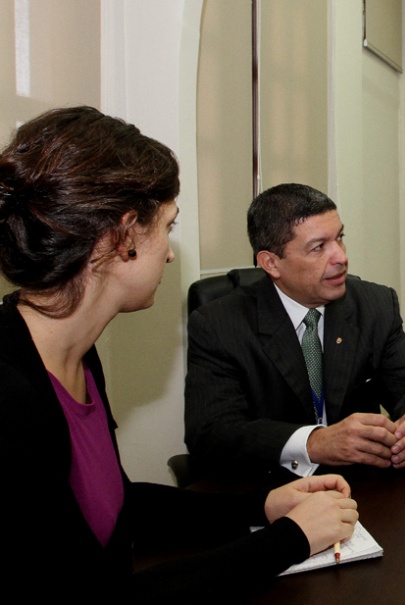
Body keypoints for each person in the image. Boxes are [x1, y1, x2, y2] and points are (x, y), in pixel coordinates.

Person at [0, 107, 358, 601]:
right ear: (124, 237)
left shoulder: (74, 356)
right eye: (167, 226)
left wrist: (263, 506)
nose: (170, 252)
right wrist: (290, 540)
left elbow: (120, 506)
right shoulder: (9, 397)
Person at [185, 183, 405, 480]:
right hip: (270, 486)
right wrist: (313, 443)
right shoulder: (219, 325)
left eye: (340, 238)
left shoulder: (375, 305)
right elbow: (212, 433)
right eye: (319, 247)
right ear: (271, 263)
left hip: (362, 486)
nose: (341, 257)